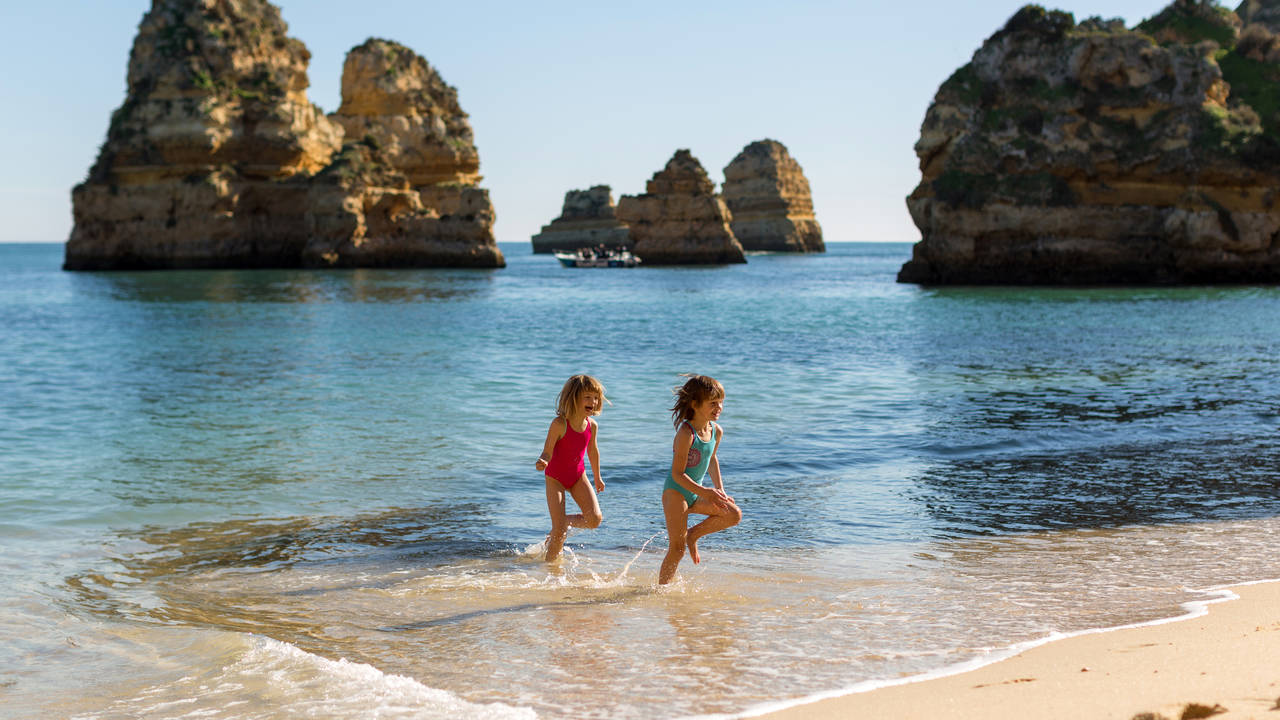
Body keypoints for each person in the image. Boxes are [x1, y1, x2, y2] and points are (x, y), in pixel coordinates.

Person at [659, 374, 742, 584]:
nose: (719, 407)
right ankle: (661, 590)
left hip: (697, 492)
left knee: (733, 515)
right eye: (713, 403)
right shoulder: (686, 434)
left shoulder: (716, 431)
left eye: (721, 402)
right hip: (676, 492)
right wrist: (705, 492)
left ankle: (693, 535)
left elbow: (711, 459)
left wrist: (719, 490)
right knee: (677, 550)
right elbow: (678, 474)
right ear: (695, 404)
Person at [535, 374, 607, 561]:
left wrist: (597, 477)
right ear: (573, 398)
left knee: (594, 520)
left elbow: (593, 452)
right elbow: (547, 451)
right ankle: (551, 571)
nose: (593, 401)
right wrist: (543, 461)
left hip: (578, 477)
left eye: (596, 397)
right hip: (555, 479)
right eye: (587, 397)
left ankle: (564, 521)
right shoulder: (559, 424)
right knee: (559, 531)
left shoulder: (592, 426)